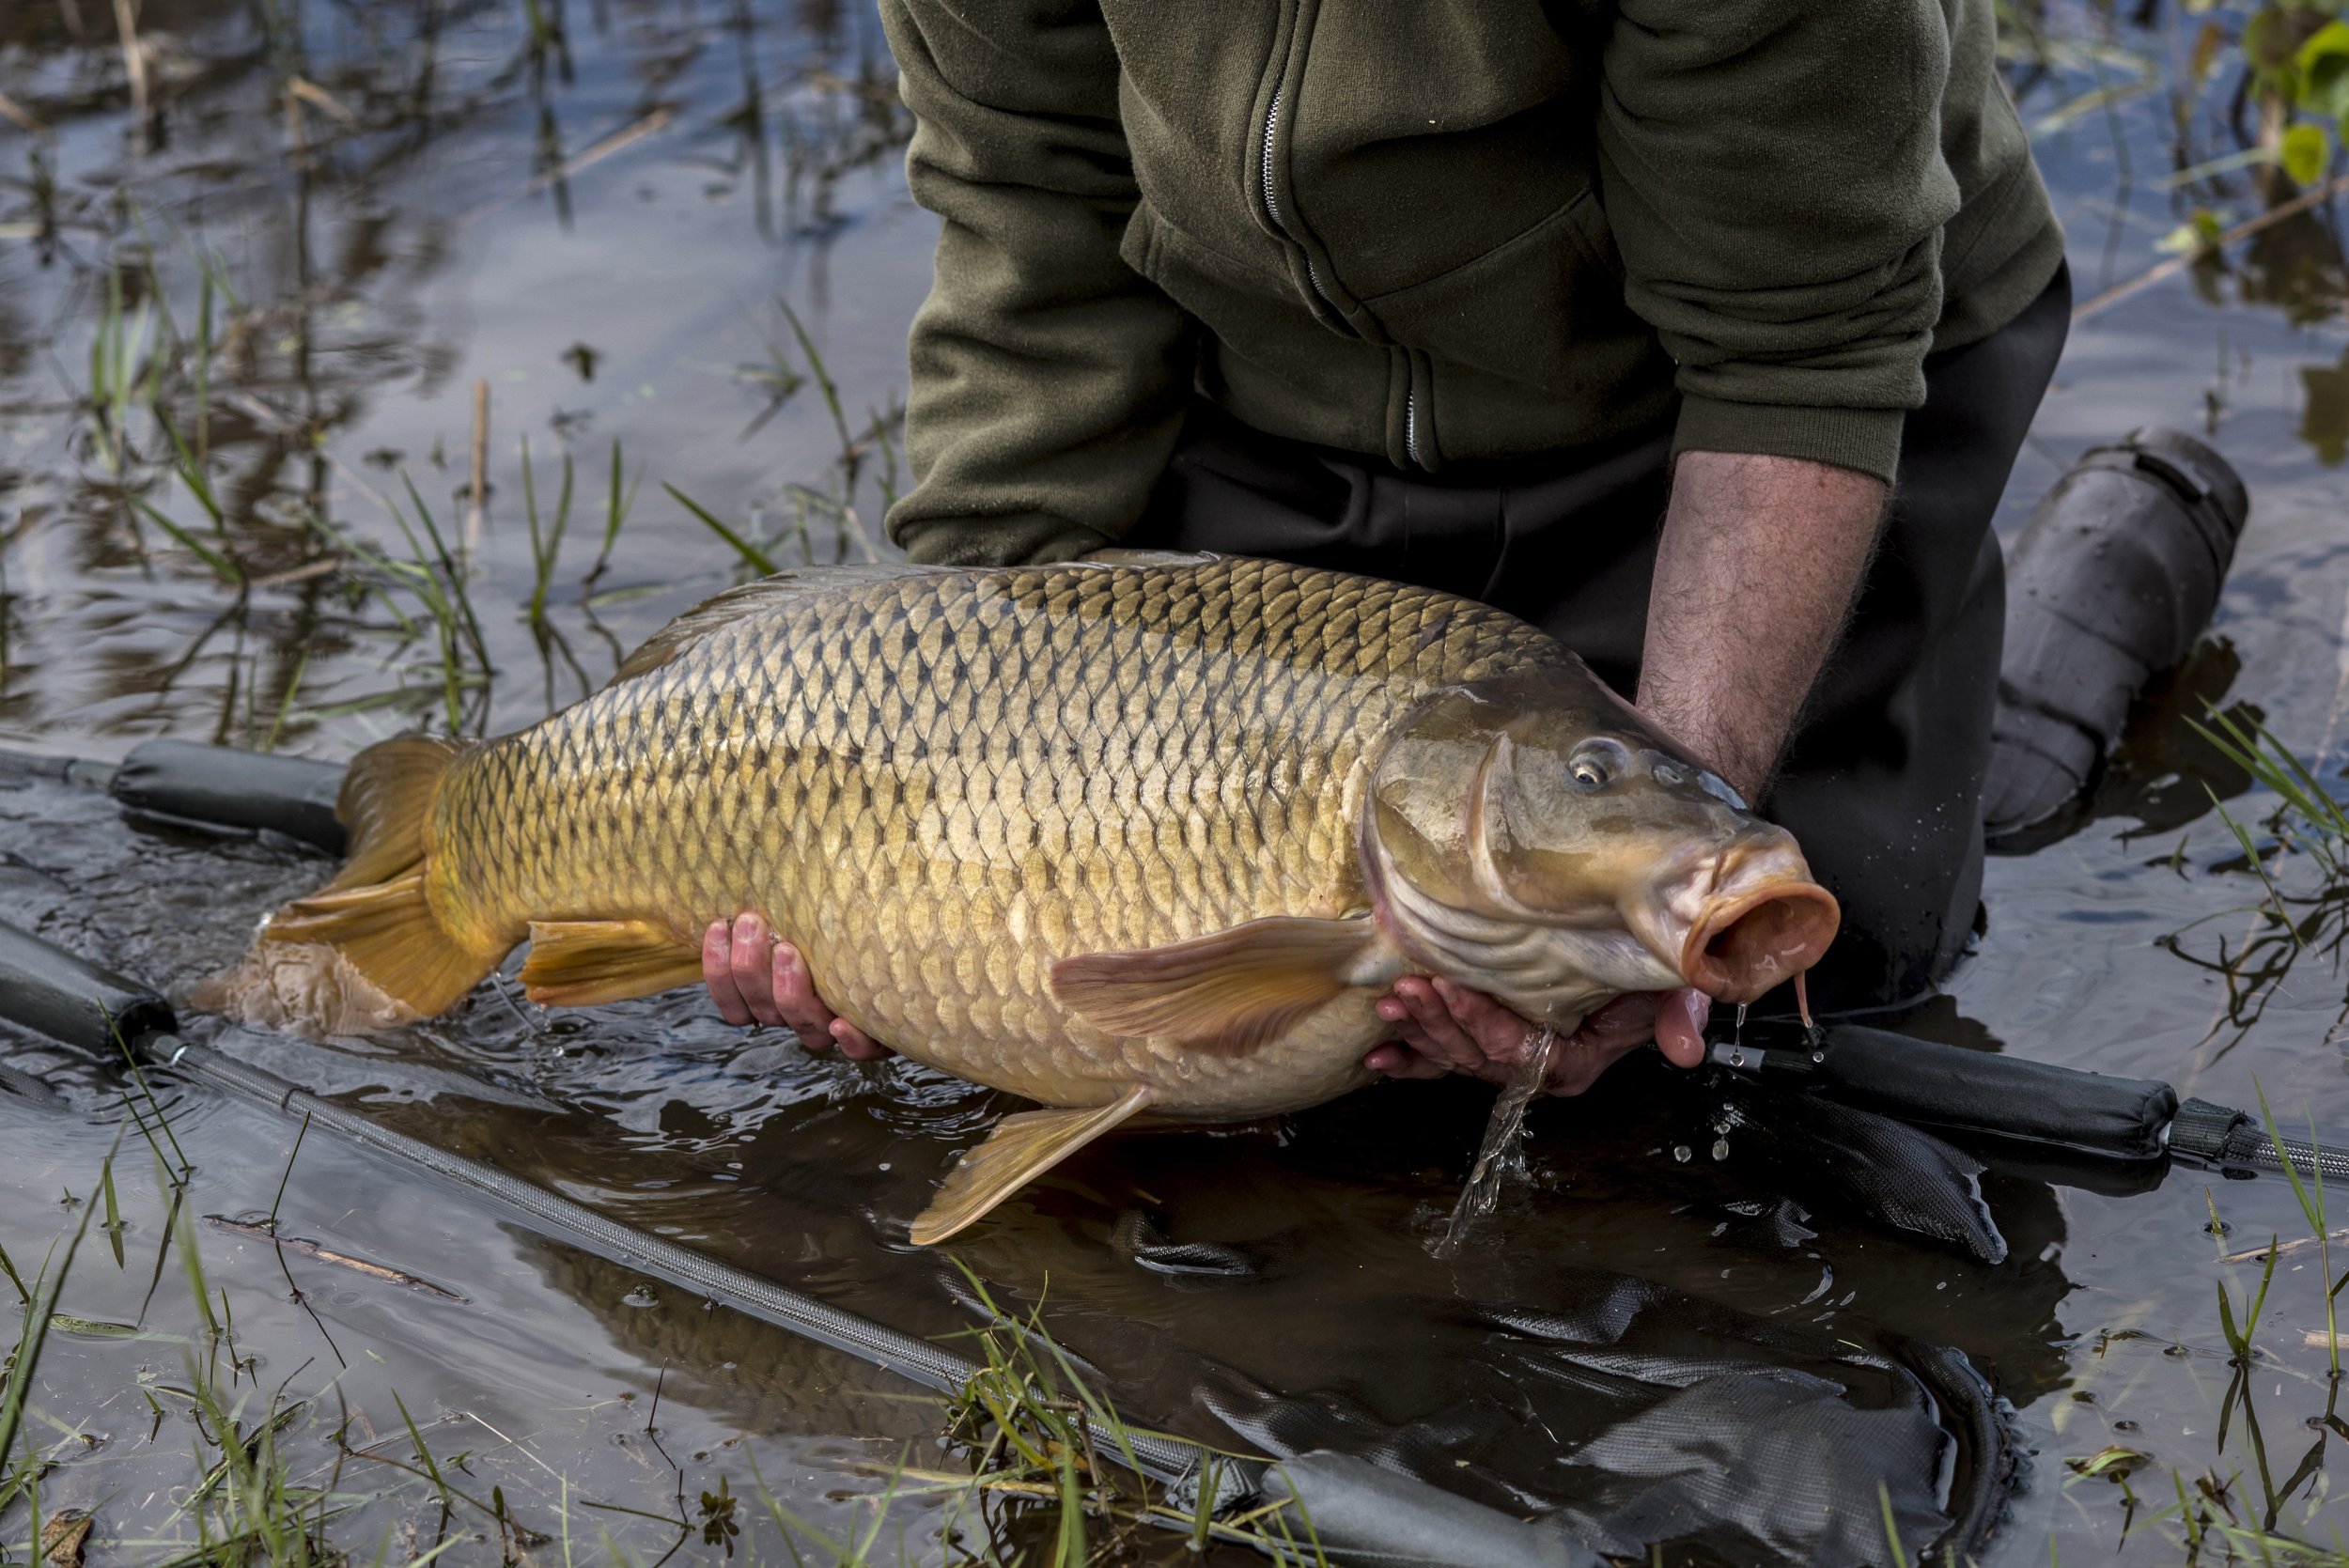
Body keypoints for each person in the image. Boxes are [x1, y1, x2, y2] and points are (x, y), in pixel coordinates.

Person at [702, 0, 2069, 1097]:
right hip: (1265, 386)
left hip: (1749, 396)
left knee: (1793, 1026)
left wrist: (1661, 868)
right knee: (1188, 1040)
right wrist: (927, 782)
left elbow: (1792, 353)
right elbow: (1034, 225)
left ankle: (2080, 628)